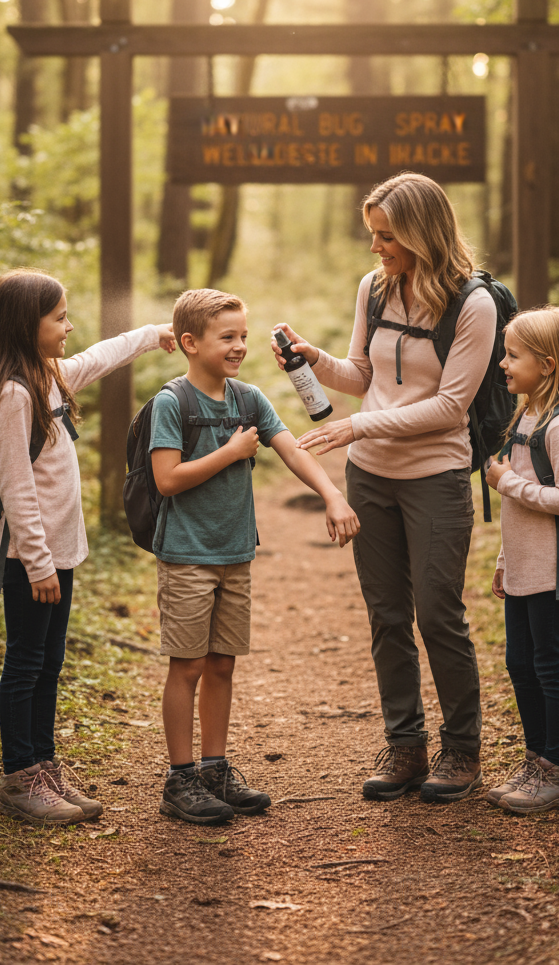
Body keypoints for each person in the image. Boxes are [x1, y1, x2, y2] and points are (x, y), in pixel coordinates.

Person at [273, 172, 496, 803]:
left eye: (386, 236)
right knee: (387, 617)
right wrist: (314, 360)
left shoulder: (471, 304)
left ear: (423, 234)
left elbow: (452, 407)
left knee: (438, 614)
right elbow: (362, 375)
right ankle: (405, 745)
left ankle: (461, 750)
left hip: (437, 477)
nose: (375, 247)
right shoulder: (373, 289)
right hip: (370, 478)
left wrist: (358, 427)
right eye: (372, 234)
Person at [0, 269, 176, 825]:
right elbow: (16, 486)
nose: (68, 327)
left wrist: (153, 332)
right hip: (32, 557)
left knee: (50, 662)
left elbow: (99, 357)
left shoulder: (45, 376)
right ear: (24, 325)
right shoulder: (10, 393)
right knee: (26, 662)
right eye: (58, 318)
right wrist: (36, 563)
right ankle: (18, 778)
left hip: (61, 552)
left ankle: (44, 767)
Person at [151, 288, 360, 825]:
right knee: (189, 664)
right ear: (191, 343)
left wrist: (333, 495)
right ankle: (180, 779)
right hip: (186, 555)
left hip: (235, 553)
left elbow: (291, 448)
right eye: (228, 337)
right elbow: (167, 479)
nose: (240, 346)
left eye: (243, 335)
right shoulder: (172, 403)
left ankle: (215, 769)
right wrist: (229, 453)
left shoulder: (249, 400)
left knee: (222, 663)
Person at [485, 306, 559, 813]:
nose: (503, 364)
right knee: (519, 665)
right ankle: (536, 763)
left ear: (547, 365)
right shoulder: (525, 415)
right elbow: (518, 509)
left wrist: (508, 482)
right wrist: (506, 560)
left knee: (550, 668)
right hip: (526, 568)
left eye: (513, 356)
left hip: (554, 573)